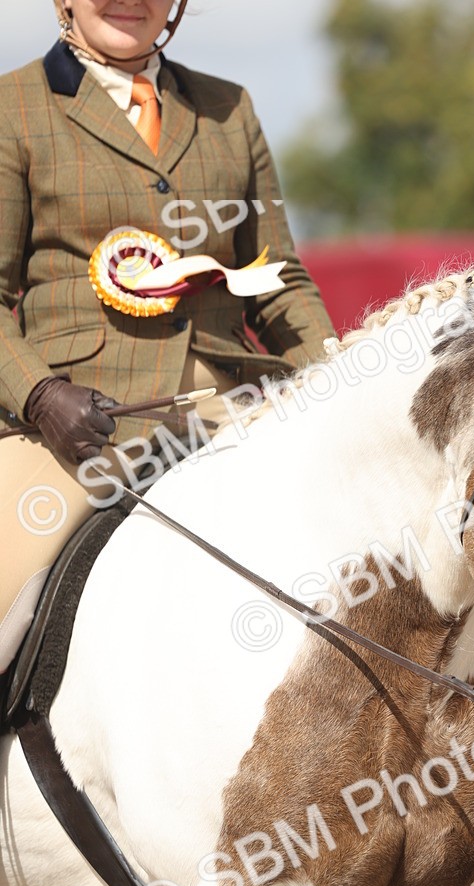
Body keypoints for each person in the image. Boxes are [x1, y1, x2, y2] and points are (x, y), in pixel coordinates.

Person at [0, 0, 335, 674]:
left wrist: (342, 380)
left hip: (235, 407)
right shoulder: (14, 109)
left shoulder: (228, 108)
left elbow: (274, 278)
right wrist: (40, 396)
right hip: (85, 424)